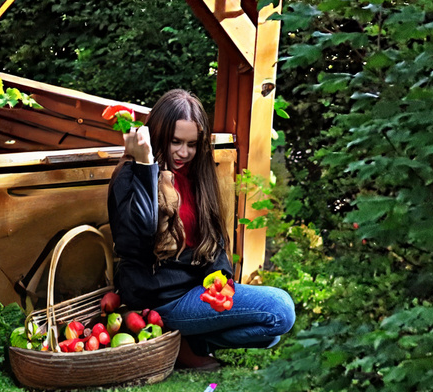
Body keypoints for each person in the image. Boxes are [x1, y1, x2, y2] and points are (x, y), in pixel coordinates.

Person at [106, 88, 295, 370]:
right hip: (160, 299)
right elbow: (141, 236)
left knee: (271, 333)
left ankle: (187, 342)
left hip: (196, 292)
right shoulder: (129, 176)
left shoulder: (196, 175)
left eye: (192, 144)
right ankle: (177, 337)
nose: (184, 153)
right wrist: (146, 164)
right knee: (280, 308)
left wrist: (219, 281)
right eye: (175, 142)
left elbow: (213, 238)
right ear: (157, 135)